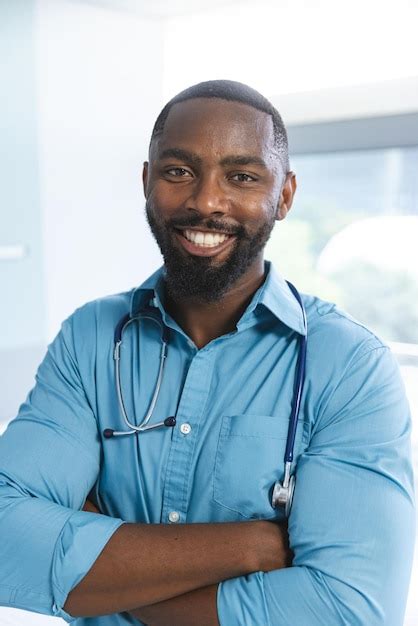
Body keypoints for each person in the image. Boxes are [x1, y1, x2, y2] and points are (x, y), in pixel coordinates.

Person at [0, 80, 415, 626]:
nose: (205, 201)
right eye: (178, 172)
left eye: (241, 176)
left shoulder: (350, 365)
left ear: (284, 196)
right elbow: (7, 542)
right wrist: (254, 547)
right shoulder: (92, 338)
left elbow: (346, 609)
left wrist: (102, 573)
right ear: (147, 182)